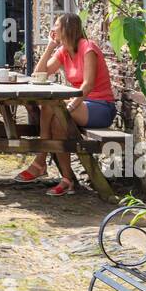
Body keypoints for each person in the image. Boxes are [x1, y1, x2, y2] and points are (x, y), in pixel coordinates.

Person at [14, 13, 117, 196]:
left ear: (67, 29)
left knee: (54, 109)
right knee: (53, 116)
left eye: (56, 25)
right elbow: (39, 75)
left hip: (100, 106)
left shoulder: (88, 48)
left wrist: (69, 106)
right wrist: (49, 47)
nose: (52, 29)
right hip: (81, 104)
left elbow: (88, 84)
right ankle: (67, 179)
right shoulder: (63, 51)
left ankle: (40, 160)